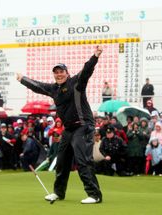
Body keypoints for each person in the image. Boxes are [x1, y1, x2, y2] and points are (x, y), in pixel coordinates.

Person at [16, 46, 103, 204]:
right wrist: (23, 79)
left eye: (61, 71)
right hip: (69, 129)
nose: (59, 74)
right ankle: (58, 192)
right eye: (56, 72)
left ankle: (94, 195)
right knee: (62, 161)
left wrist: (95, 56)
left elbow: (86, 71)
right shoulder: (54, 89)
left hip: (83, 126)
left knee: (83, 160)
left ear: (67, 73)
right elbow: (38, 86)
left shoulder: (76, 83)